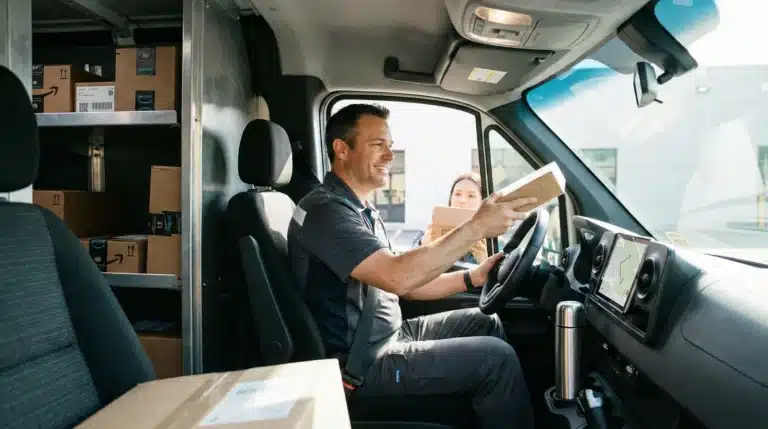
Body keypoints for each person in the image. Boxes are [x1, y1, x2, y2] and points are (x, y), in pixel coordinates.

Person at [287, 103, 536, 429]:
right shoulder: (326, 211)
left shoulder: (359, 209)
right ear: (341, 149)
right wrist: (476, 227)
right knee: (496, 359)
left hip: (388, 336)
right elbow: (399, 276)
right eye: (378, 144)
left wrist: (472, 277)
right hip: (361, 364)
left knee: (485, 322)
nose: (390, 155)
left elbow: (404, 281)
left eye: (390, 145)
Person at [413, 172, 488, 264]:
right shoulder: (426, 234)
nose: (462, 200)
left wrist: (484, 260)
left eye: (471, 196)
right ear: (451, 198)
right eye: (457, 194)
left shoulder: (492, 241)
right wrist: (423, 248)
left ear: (482, 201)